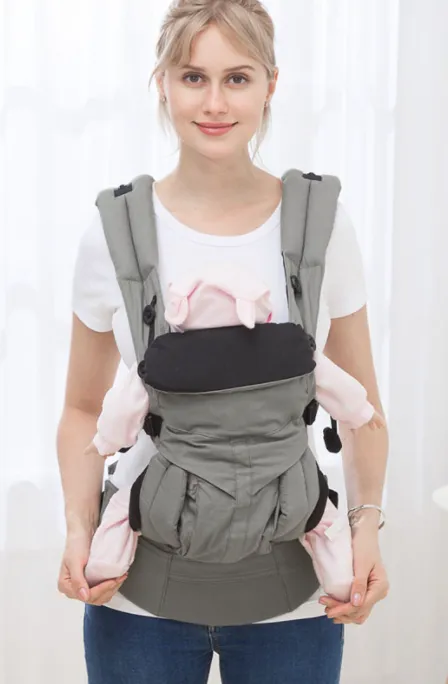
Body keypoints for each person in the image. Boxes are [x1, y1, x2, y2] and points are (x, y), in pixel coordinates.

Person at [56, 1, 389, 682]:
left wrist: (366, 528)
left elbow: (363, 409)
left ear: (271, 84)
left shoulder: (323, 225)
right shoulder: (113, 233)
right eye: (193, 77)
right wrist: (79, 530)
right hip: (137, 595)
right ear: (162, 84)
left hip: (296, 594)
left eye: (237, 78)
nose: (214, 103)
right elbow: (84, 409)